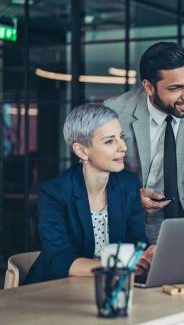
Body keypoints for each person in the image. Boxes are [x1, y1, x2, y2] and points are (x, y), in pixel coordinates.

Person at [104, 41, 184, 243]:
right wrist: (132, 197)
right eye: (176, 88)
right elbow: (100, 173)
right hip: (129, 219)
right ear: (149, 87)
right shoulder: (116, 111)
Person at [25, 104, 153, 284]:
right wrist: (116, 266)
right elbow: (61, 260)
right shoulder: (53, 193)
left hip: (110, 287)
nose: (123, 147)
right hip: (55, 290)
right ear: (82, 151)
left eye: (121, 137)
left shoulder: (128, 184)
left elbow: (137, 242)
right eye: (110, 141)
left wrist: (146, 255)